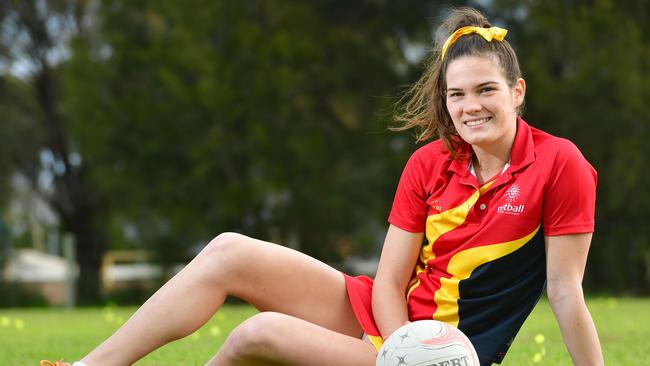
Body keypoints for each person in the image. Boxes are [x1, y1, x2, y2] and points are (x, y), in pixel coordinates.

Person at [41, 7, 604, 366]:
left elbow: (564, 292)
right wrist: (394, 342)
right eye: (457, 95)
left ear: (518, 91)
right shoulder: (430, 163)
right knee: (229, 250)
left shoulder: (561, 165)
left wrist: (411, 356)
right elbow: (387, 284)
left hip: (450, 355)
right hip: (390, 325)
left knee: (255, 336)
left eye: (486, 90)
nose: (470, 107)